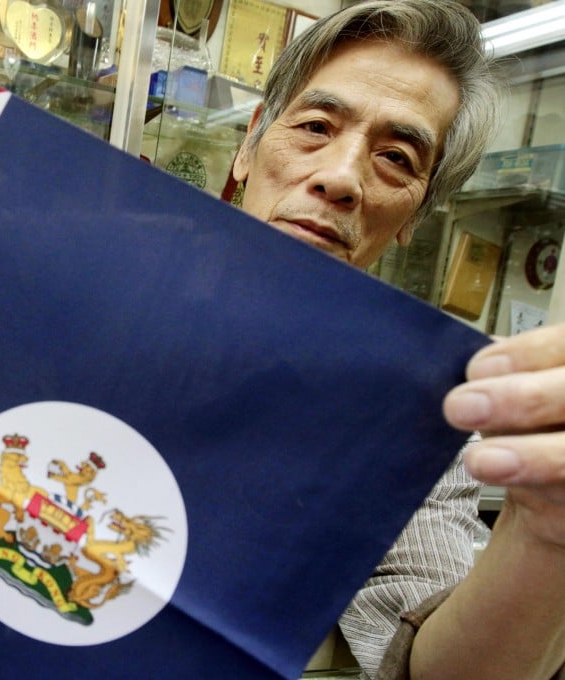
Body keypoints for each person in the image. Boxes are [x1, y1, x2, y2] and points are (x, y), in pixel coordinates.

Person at [227, 1, 565, 678]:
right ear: (251, 140)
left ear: (418, 212)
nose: (341, 177)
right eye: (316, 126)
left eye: (396, 157)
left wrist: (544, 532)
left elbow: (437, 668)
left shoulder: (411, 411)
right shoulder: (84, 282)